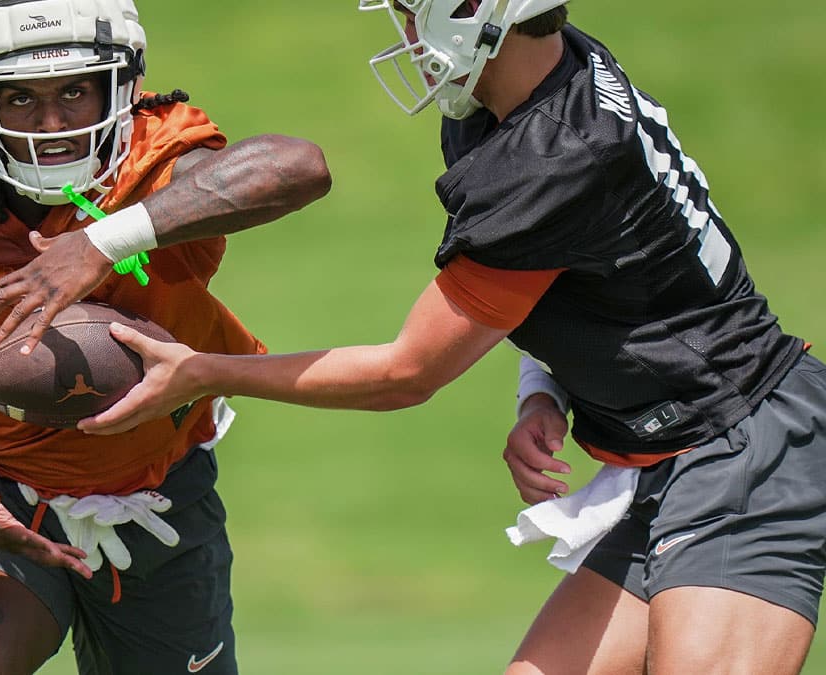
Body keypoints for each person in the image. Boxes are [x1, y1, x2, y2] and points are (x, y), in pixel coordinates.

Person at [72, 1, 826, 673]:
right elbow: (594, 278)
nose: (404, 30)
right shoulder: (524, 94)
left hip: (746, 452)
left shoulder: (547, 160)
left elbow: (407, 373)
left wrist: (208, 371)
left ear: (477, 13)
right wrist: (544, 390)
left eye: (410, 9)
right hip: (674, 452)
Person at [0, 0, 330, 672]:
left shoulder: (154, 159)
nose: (52, 124)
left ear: (122, 87)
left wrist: (103, 241)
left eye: (76, 91)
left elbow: (300, 167)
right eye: (18, 97)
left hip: (163, 492)